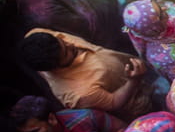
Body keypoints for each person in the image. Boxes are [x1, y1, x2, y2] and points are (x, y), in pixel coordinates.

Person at [17, 28, 152, 119]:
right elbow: (113, 103)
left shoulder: (35, 36)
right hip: (137, 99)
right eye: (66, 52)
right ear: (54, 68)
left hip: (126, 64)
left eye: (62, 41)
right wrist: (134, 81)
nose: (70, 45)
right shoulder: (79, 93)